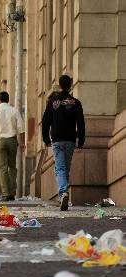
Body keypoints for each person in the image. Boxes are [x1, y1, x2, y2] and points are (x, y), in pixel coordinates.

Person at [42, 74, 85, 211]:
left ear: (60, 85)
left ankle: (63, 193)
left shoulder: (53, 101)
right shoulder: (75, 103)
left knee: (60, 168)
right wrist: (81, 139)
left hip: (57, 140)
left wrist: (46, 139)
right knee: (65, 167)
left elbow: (46, 121)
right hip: (70, 140)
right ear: (70, 85)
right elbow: (81, 123)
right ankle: (64, 194)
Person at [0, 91, 25, 202]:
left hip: (0, 140)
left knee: (2, 168)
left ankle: (5, 193)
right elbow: (21, 128)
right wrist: (22, 143)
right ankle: (12, 192)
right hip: (12, 140)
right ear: (8, 99)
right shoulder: (14, 111)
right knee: (12, 167)